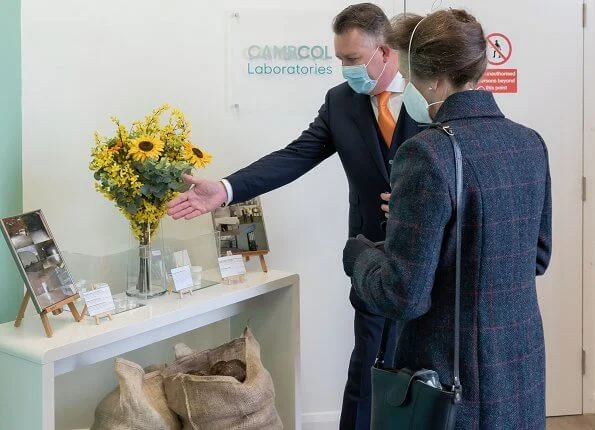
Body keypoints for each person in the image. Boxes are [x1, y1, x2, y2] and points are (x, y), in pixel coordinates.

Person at [166, 3, 419, 428]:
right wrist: (225, 189)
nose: (345, 69)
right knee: (367, 365)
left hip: (429, 253)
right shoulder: (341, 102)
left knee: (422, 367)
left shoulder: (427, 96)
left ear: (386, 52)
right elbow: (295, 156)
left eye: (353, 59)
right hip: (373, 256)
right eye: (339, 59)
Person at [342, 9, 552, 429]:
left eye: (409, 76)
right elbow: (537, 258)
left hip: (451, 376)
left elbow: (404, 294)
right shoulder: (529, 143)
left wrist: (359, 257)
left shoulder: (427, 153)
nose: (408, 89)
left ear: (436, 80)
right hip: (519, 364)